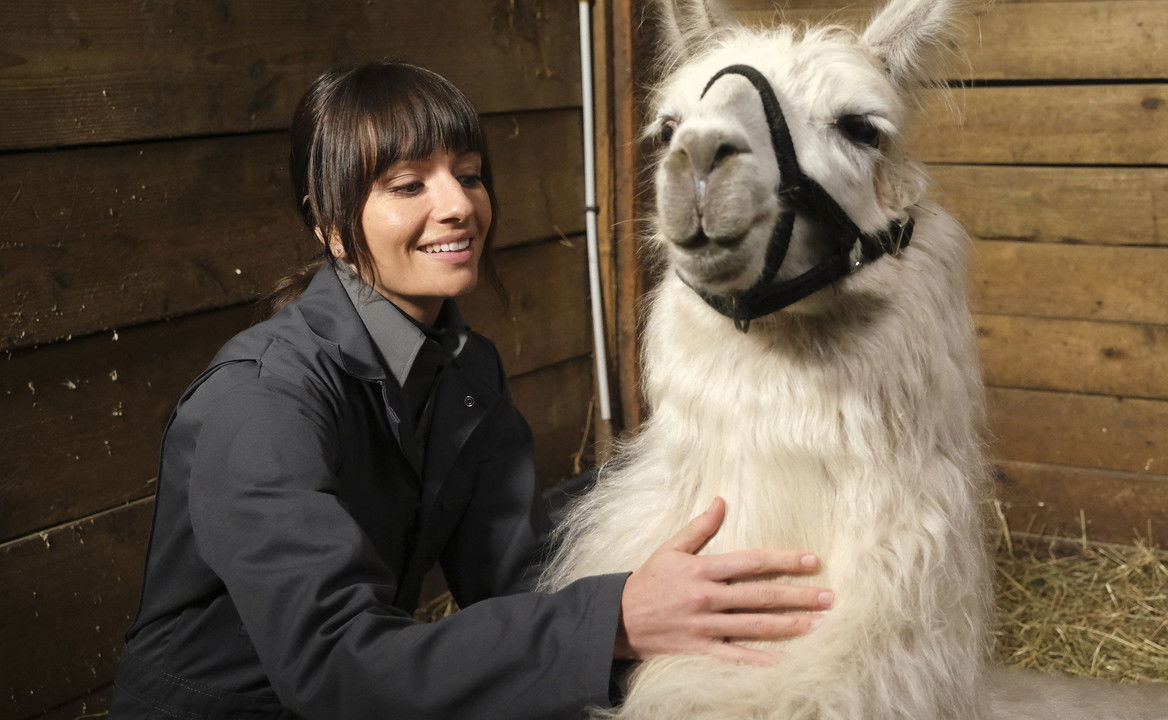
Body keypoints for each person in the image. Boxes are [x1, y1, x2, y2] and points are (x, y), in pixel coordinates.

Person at [108, 61, 834, 720]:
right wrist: (614, 618)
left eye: (470, 174)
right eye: (408, 186)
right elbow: (334, 666)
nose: (458, 205)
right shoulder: (260, 400)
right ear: (330, 226)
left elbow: (519, 580)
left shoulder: (464, 369)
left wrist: (682, 609)